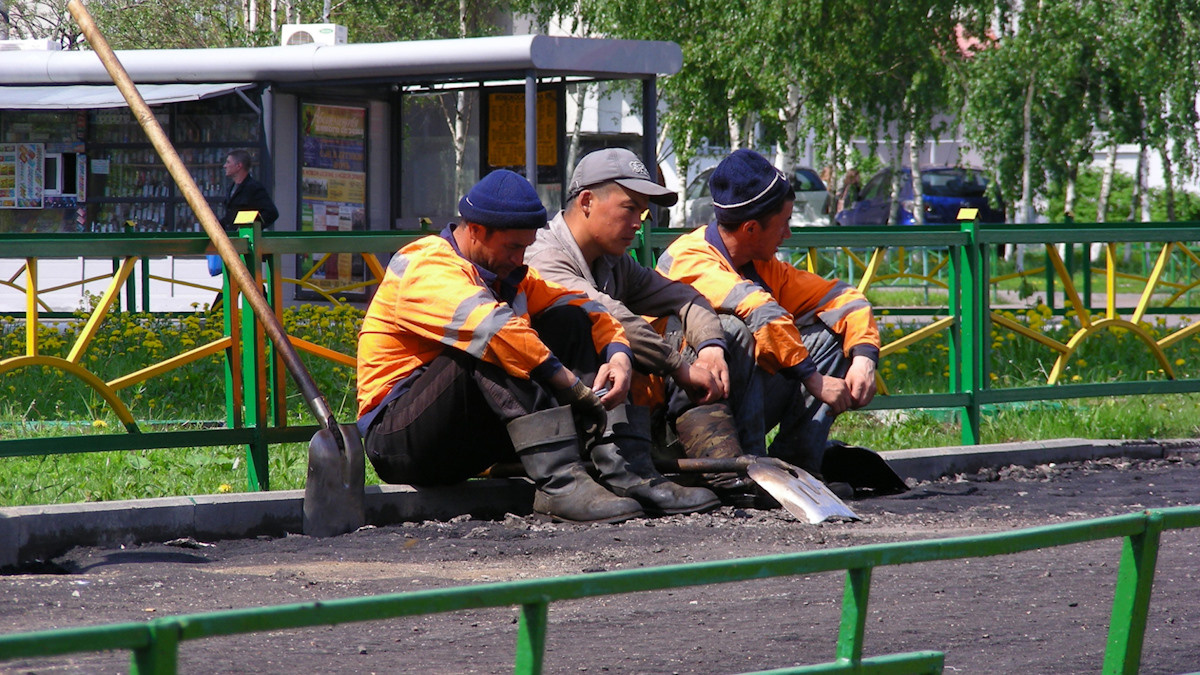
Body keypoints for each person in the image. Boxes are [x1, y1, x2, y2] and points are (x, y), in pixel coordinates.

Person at [356, 170, 704, 524]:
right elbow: (495, 329)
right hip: (400, 442)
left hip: (467, 439)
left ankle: (629, 472)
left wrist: (618, 354)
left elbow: (587, 305)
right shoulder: (426, 264)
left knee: (569, 319)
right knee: (494, 342)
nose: (520, 258)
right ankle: (562, 483)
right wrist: (568, 382)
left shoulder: (510, 275)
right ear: (475, 229)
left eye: (525, 247)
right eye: (512, 247)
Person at [656, 149, 881, 479]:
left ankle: (799, 472)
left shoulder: (763, 265)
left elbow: (842, 297)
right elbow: (758, 309)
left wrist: (864, 356)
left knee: (834, 335)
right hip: (673, 421)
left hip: (733, 399)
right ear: (750, 228)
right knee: (733, 328)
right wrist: (814, 380)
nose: (787, 234)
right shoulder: (688, 258)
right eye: (784, 223)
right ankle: (750, 474)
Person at [523, 147, 724, 511]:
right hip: (536, 420)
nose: (639, 223)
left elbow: (683, 295)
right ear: (586, 201)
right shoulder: (544, 256)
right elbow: (612, 317)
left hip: (594, 411)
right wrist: (679, 366)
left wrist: (711, 346)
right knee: (579, 321)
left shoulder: (612, 261)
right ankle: (626, 472)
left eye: (643, 212)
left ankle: (718, 465)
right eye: (629, 208)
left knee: (724, 330)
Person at [209, 149, 279, 276]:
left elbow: (271, 213)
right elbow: (231, 217)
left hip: (247, 247)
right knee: (244, 283)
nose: (225, 166)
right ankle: (259, 296)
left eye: (228, 162)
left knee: (240, 282)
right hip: (234, 245)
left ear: (238, 166)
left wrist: (252, 228)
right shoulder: (231, 188)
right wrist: (214, 226)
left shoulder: (253, 188)